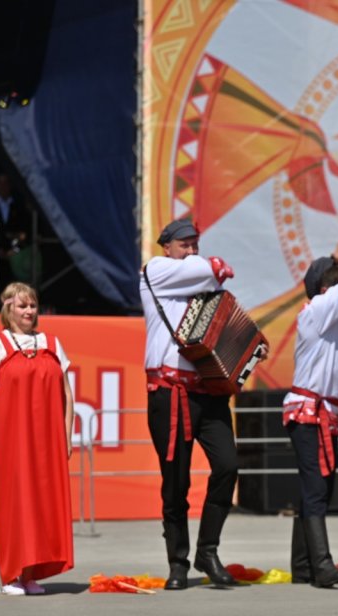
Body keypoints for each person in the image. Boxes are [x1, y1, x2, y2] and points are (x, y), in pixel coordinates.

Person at [140, 218, 247, 589]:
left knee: (228, 466)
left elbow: (226, 332)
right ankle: (177, 562)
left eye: (194, 244)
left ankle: (208, 550)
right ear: (166, 247)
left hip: (207, 391)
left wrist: (248, 351)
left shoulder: (202, 284)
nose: (190, 250)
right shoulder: (155, 270)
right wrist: (213, 265)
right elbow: (209, 268)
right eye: (183, 244)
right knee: (176, 482)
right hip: (170, 393)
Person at [0, 282, 74, 595]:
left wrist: (67, 436)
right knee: (13, 503)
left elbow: (67, 395)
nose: (28, 311)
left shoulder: (52, 343)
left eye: (32, 306)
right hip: (8, 436)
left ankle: (31, 574)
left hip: (46, 439)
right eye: (22, 306)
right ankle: (11, 575)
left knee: (42, 503)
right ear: (8, 309)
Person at [282, 251, 338, 588]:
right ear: (325, 286)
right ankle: (321, 566)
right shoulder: (317, 311)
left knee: (316, 489)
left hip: (322, 413)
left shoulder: (332, 323)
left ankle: (304, 566)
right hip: (308, 413)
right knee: (317, 489)